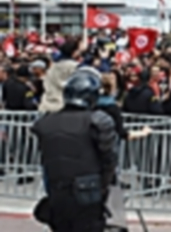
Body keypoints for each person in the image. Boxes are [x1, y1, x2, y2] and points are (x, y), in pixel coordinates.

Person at [31, 68, 118, 232]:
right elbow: (109, 160)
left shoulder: (45, 122)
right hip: (88, 194)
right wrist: (103, 186)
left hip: (58, 191)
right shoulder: (97, 121)